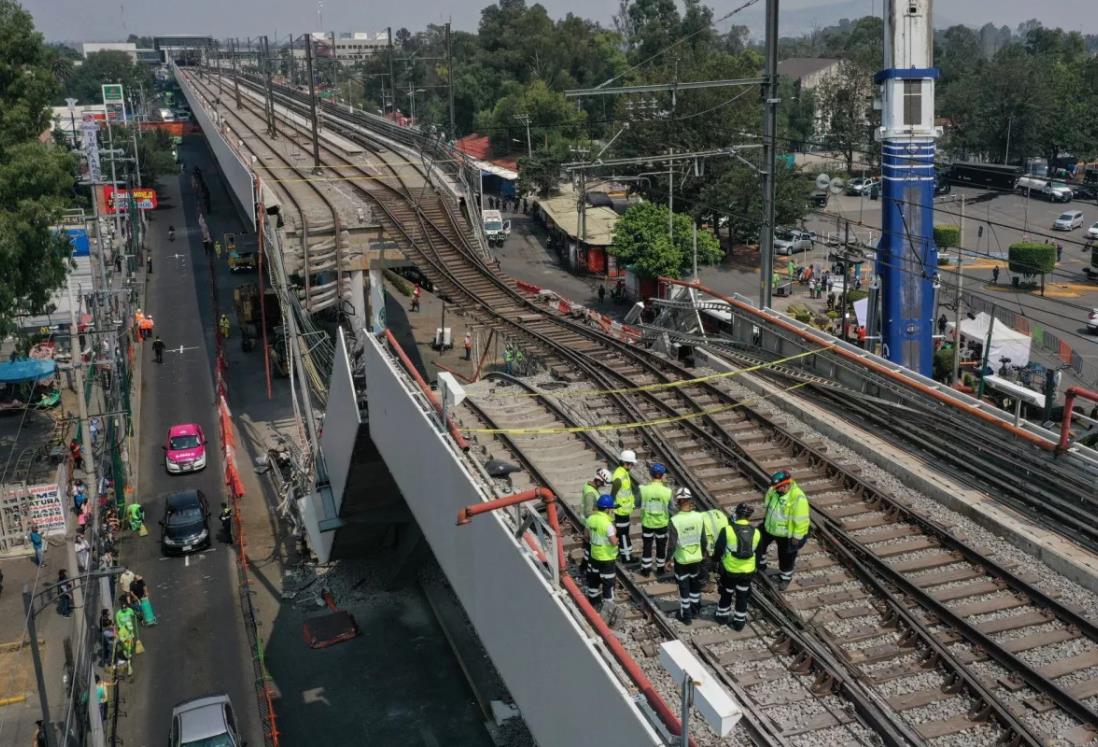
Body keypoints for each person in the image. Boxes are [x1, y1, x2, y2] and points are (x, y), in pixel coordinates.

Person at [755, 470, 810, 590]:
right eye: (775, 487)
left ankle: (785, 577)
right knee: (758, 542)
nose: (776, 489)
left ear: (787, 484)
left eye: (779, 487)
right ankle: (761, 565)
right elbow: (768, 503)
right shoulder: (774, 490)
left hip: (786, 534)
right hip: (770, 527)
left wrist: (797, 537)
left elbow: (801, 521)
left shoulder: (798, 498)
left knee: (786, 557)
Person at [713, 504, 761, 630]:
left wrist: (715, 561)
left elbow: (718, 549)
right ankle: (739, 622)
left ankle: (722, 617)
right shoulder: (756, 532)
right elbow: (759, 552)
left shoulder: (728, 530)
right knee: (743, 594)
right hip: (748, 570)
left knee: (727, 592)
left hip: (730, 570)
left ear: (737, 514)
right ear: (749, 517)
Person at [667, 488, 707, 625]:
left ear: (678, 502)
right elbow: (703, 539)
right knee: (695, 586)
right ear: (690, 500)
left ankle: (686, 616)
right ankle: (695, 611)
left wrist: (668, 559)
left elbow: (672, 544)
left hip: (682, 559)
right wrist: (703, 552)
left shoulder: (675, 520)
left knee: (684, 587)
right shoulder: (699, 517)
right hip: (696, 557)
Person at [638, 463, 672, 577]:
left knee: (647, 546)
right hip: (661, 524)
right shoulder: (667, 491)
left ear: (651, 475)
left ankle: (646, 570)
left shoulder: (644, 490)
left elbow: (637, 504)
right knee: (661, 547)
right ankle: (660, 569)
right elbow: (671, 507)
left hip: (647, 523)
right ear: (662, 476)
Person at [585, 495, 618, 609]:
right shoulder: (607, 524)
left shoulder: (591, 519)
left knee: (593, 580)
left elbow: (586, 536)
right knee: (608, 583)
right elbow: (613, 542)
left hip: (594, 556)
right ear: (608, 509)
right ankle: (608, 608)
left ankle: (593, 602)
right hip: (607, 559)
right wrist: (617, 539)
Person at [610, 449, 638, 562]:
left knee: (622, 533)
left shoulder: (623, 472)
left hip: (624, 510)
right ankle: (626, 557)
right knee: (623, 534)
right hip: (620, 511)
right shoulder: (619, 476)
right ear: (626, 463)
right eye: (631, 464)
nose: (632, 466)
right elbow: (613, 494)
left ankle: (620, 552)